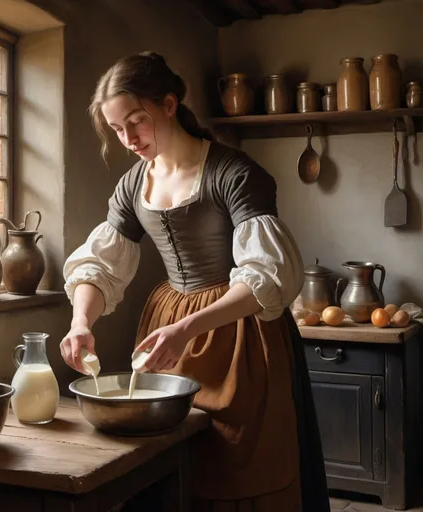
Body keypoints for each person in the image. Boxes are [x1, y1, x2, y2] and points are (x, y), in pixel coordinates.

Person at [61, 51, 330, 512]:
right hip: (165, 324)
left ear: (169, 104)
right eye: (117, 129)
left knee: (240, 460)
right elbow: (101, 265)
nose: (128, 139)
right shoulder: (132, 186)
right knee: (170, 462)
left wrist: (187, 328)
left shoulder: (235, 173)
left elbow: (267, 276)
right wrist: (81, 320)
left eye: (137, 122)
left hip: (238, 327)